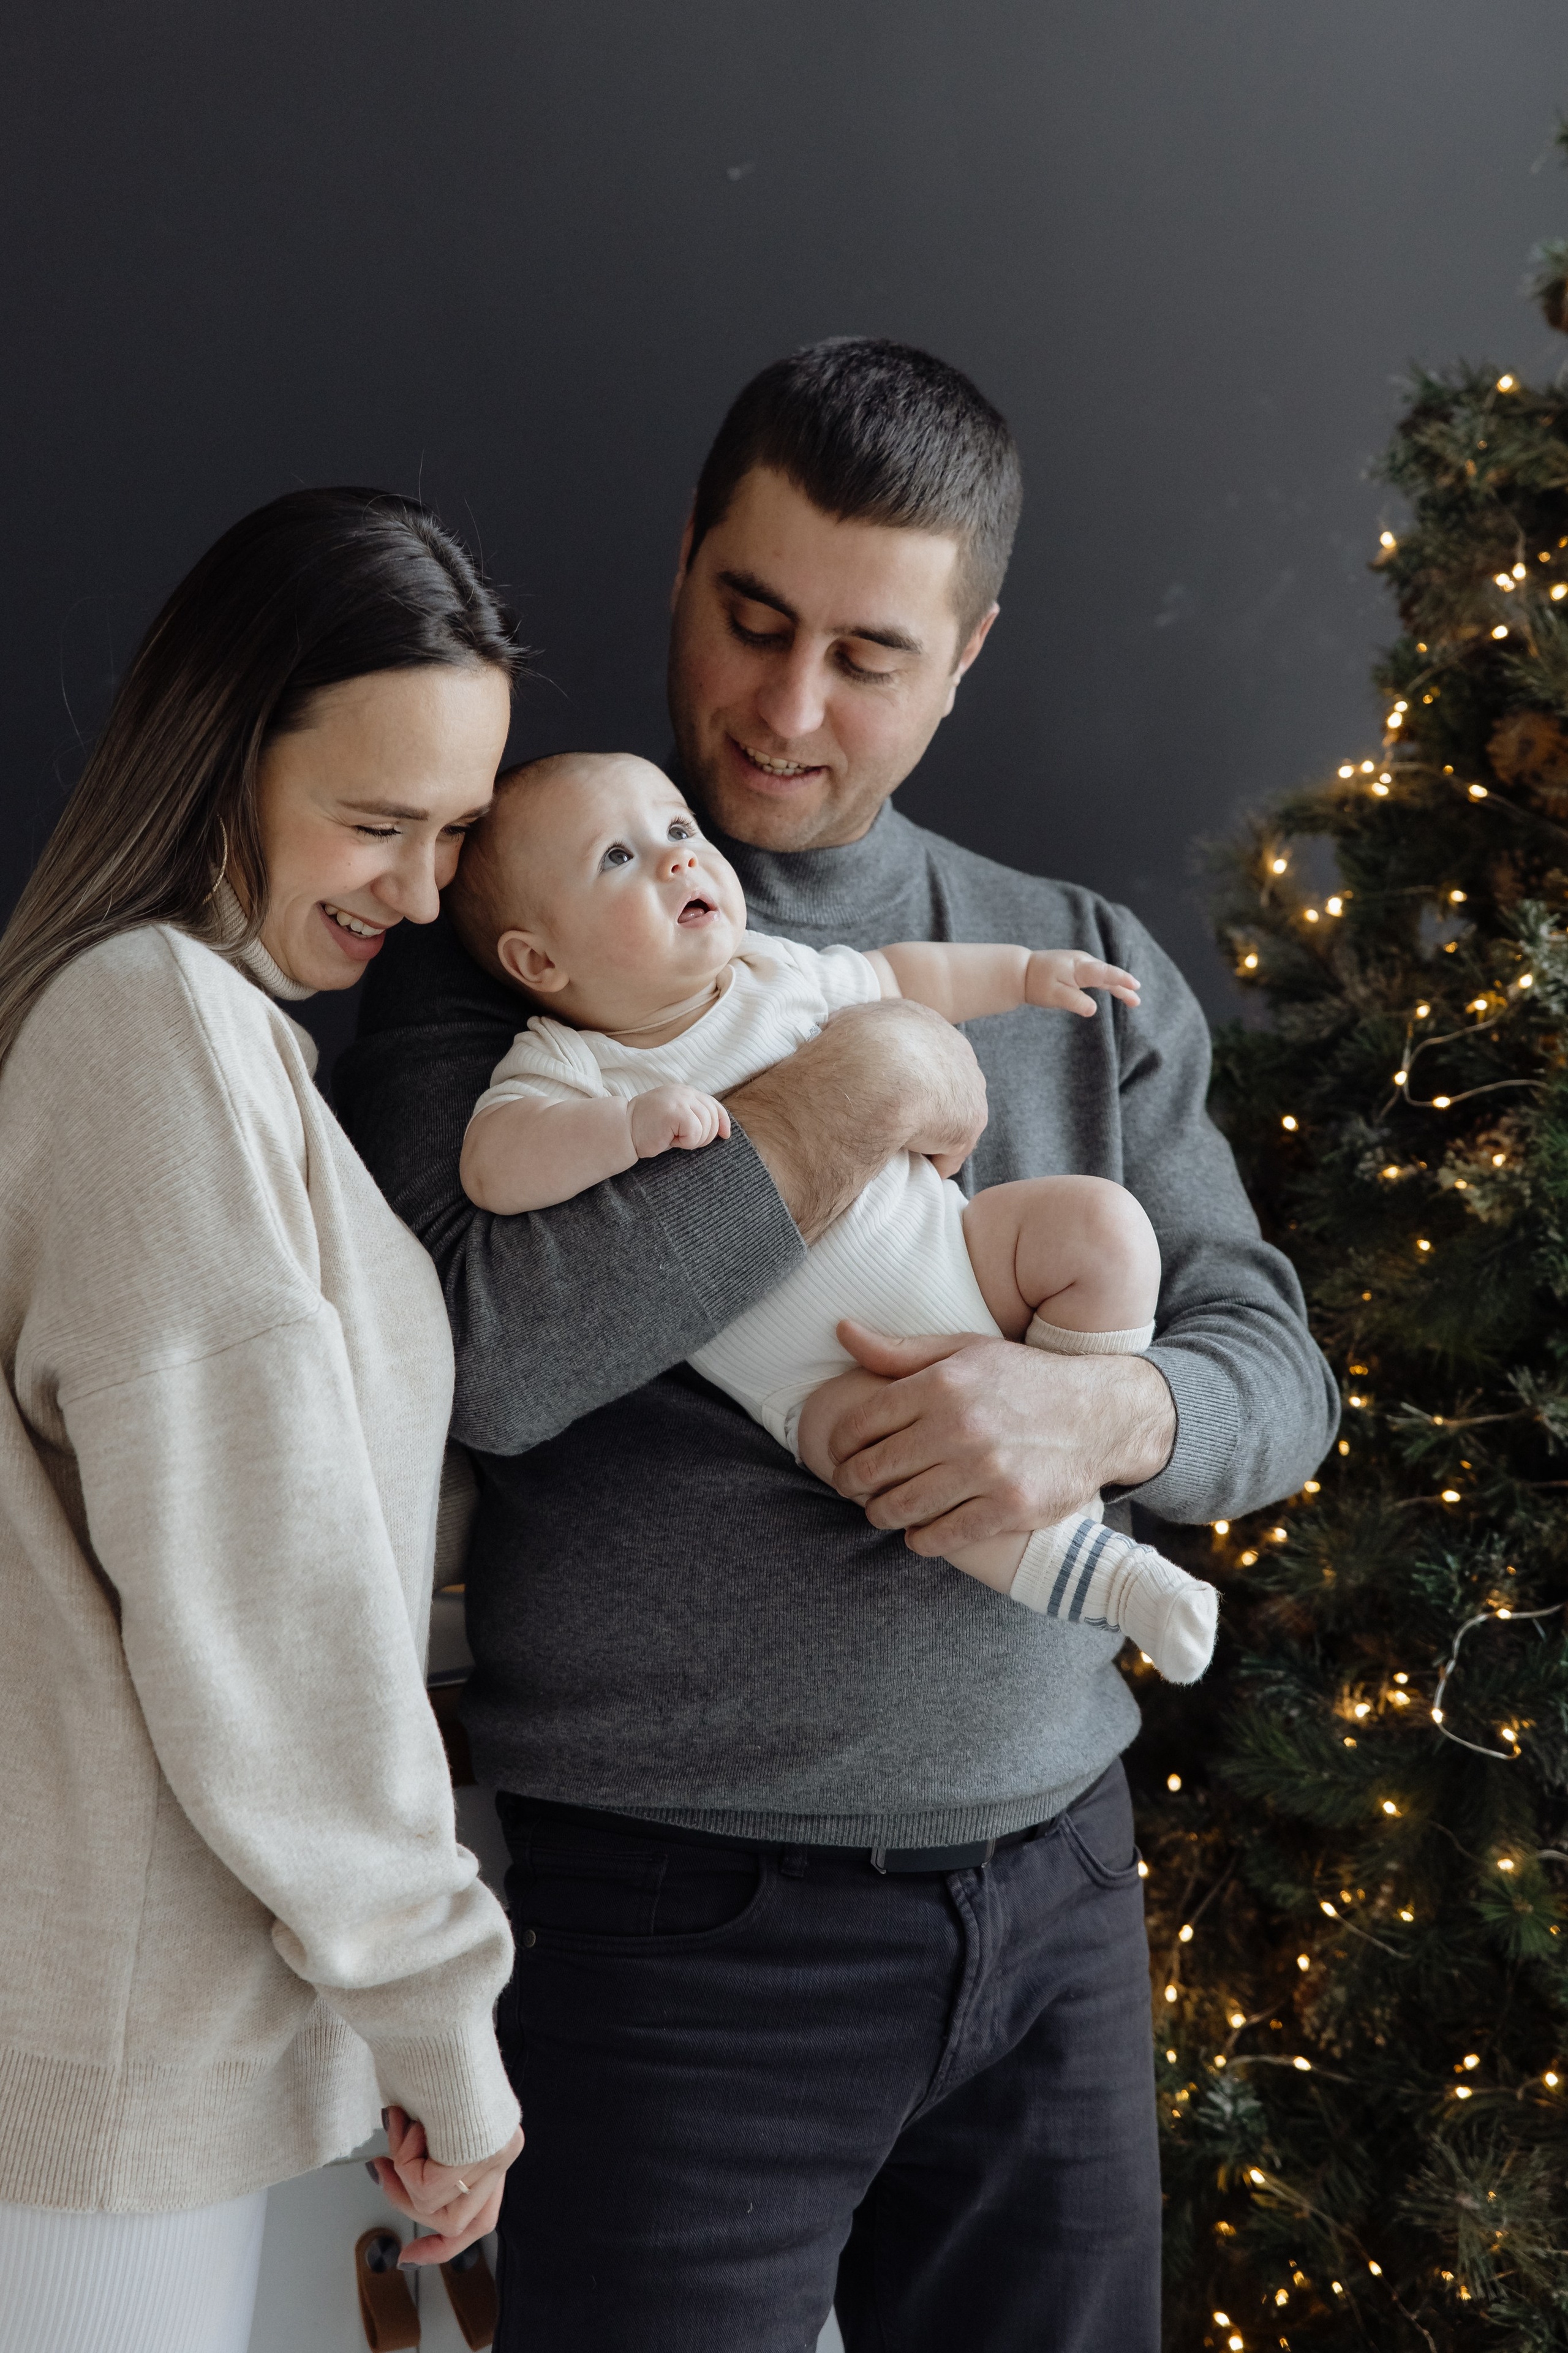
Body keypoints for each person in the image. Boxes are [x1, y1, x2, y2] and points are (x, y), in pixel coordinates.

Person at [336, 342, 1340, 2352]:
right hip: (670, 1943)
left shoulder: (1077, 961)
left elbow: (1273, 1368)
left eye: (868, 657)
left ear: (965, 657)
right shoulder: (507, 948)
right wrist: (840, 1102)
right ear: (686, 567)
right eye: (752, 618)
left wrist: (1105, 1403)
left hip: (1053, 1905)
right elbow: (485, 1363)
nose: (787, 710)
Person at [0, 488, 525, 2353]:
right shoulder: (152, 1028)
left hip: (176, 2051)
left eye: (457, 830)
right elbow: (272, 1607)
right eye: (377, 821)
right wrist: (447, 2027)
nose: (425, 887)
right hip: (112, 2089)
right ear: (223, 751)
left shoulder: (203, 1037)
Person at [450, 750, 1219, 1683]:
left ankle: (1068, 1436)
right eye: (618, 857)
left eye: (679, 829)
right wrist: (621, 1129)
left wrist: (1019, 972)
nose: (677, 859)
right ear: (540, 959)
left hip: (966, 1258)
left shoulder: (777, 968)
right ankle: (1120, 1582)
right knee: (891, 1471)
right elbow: (495, 1167)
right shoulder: (572, 1065)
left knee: (1104, 1228)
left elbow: (902, 972)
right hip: (825, 1381)